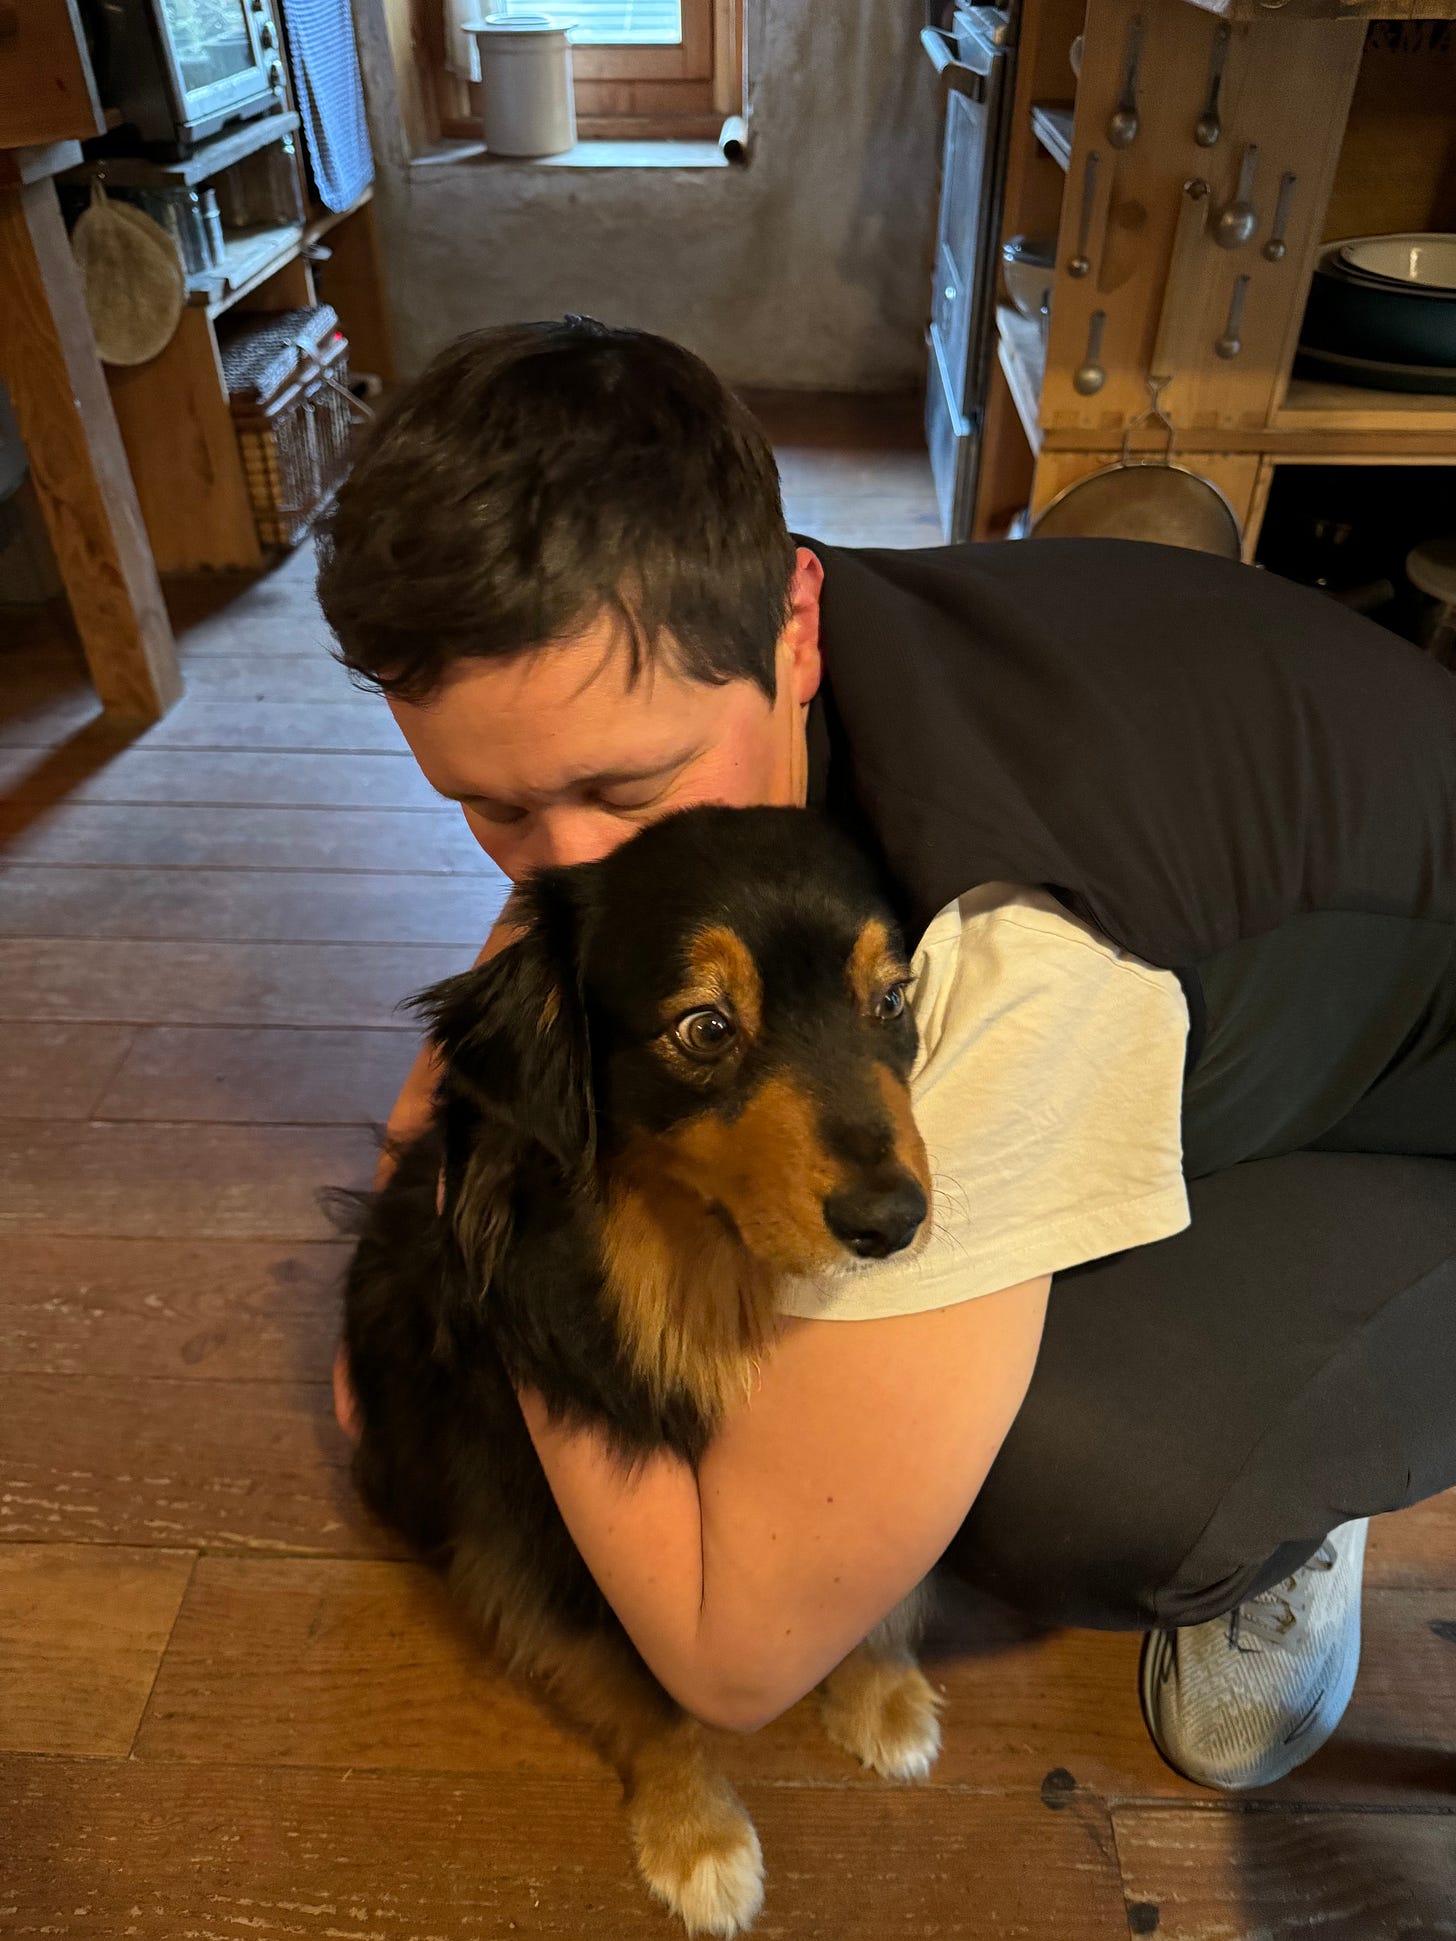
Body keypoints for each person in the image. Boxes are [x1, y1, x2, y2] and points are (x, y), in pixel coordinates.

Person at [317, 317, 1456, 1784]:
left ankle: (1297, 1498)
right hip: (1260, 925)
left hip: (1416, 1098)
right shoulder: (725, 650)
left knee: (1062, 1472)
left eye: (621, 785)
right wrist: (441, 1153)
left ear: (790, 627)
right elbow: (574, 927)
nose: (561, 866)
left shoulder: (1006, 955)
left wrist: (490, 1239)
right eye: (493, 807)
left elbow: (733, 1659)